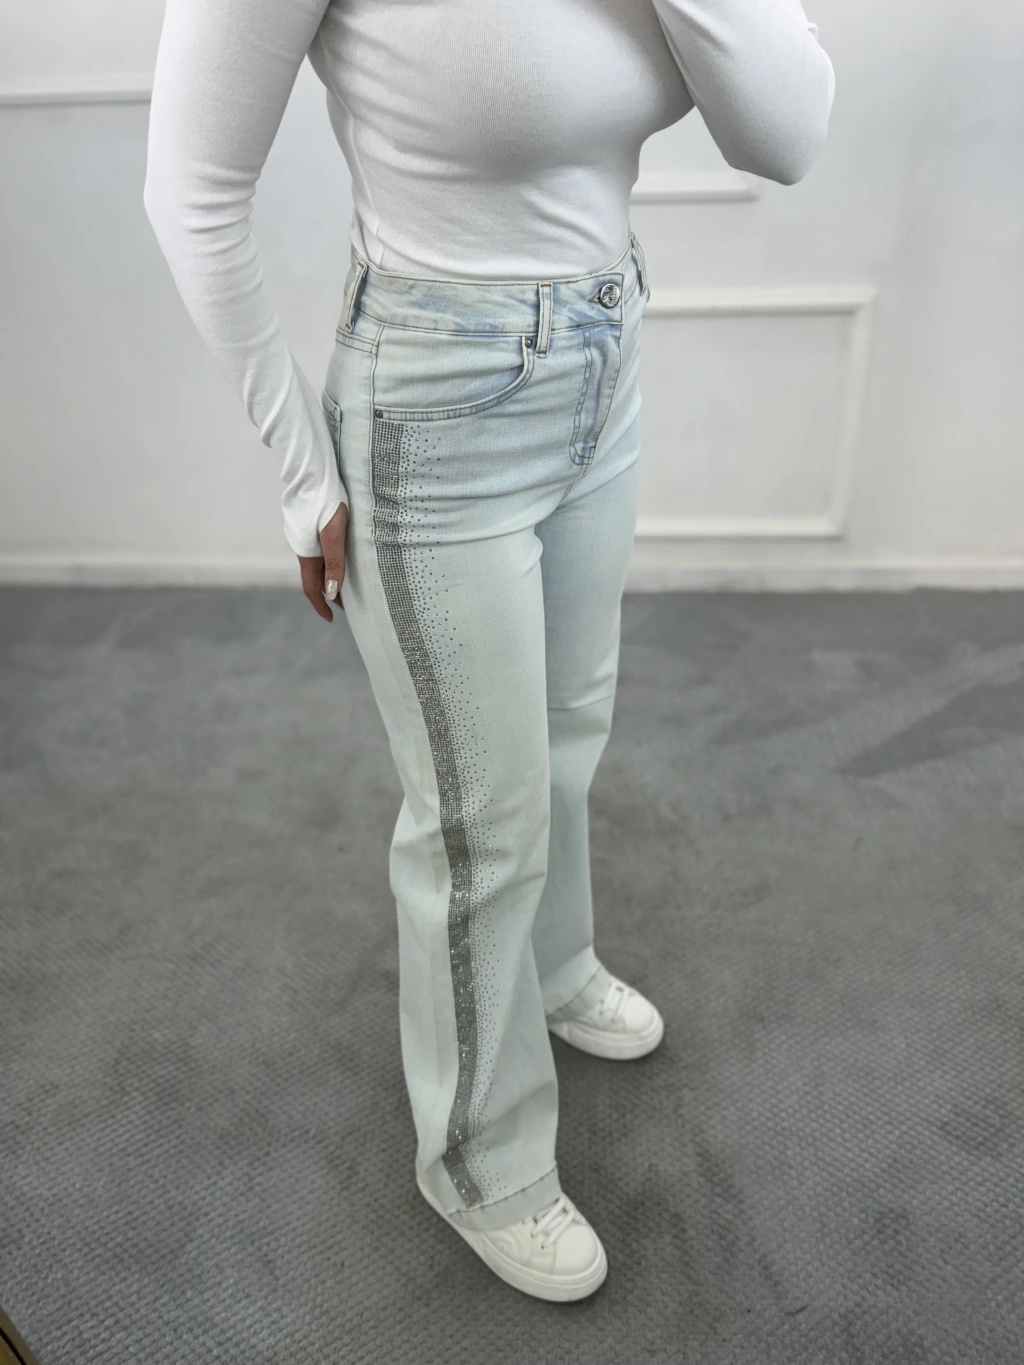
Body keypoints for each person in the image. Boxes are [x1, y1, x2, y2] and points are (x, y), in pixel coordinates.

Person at [143, 0, 834, 1303]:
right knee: (481, 818)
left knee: (571, 727)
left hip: (604, 353)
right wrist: (301, 470)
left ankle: (555, 969)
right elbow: (191, 186)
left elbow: (787, 134)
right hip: (435, 400)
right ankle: (479, 1159)